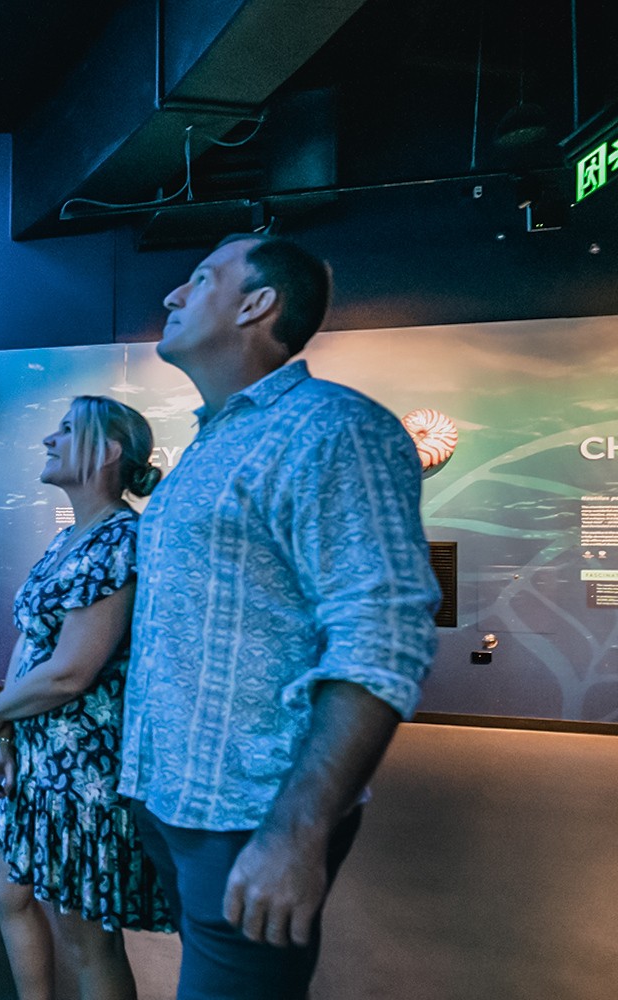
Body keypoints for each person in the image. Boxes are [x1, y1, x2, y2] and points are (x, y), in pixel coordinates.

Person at [118, 235, 440, 1000]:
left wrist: (298, 831)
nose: (171, 296)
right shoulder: (214, 438)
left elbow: (382, 639)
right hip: (176, 800)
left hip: (250, 813)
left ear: (257, 305)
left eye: (198, 280)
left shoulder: (333, 428)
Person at [0, 397, 173, 1000]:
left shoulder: (120, 540)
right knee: (5, 883)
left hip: (84, 770)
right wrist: (5, 736)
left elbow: (71, 671)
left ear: (109, 452)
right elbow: (33, 645)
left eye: (66, 431)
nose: (48, 440)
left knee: (86, 936)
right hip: (39, 754)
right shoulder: (71, 540)